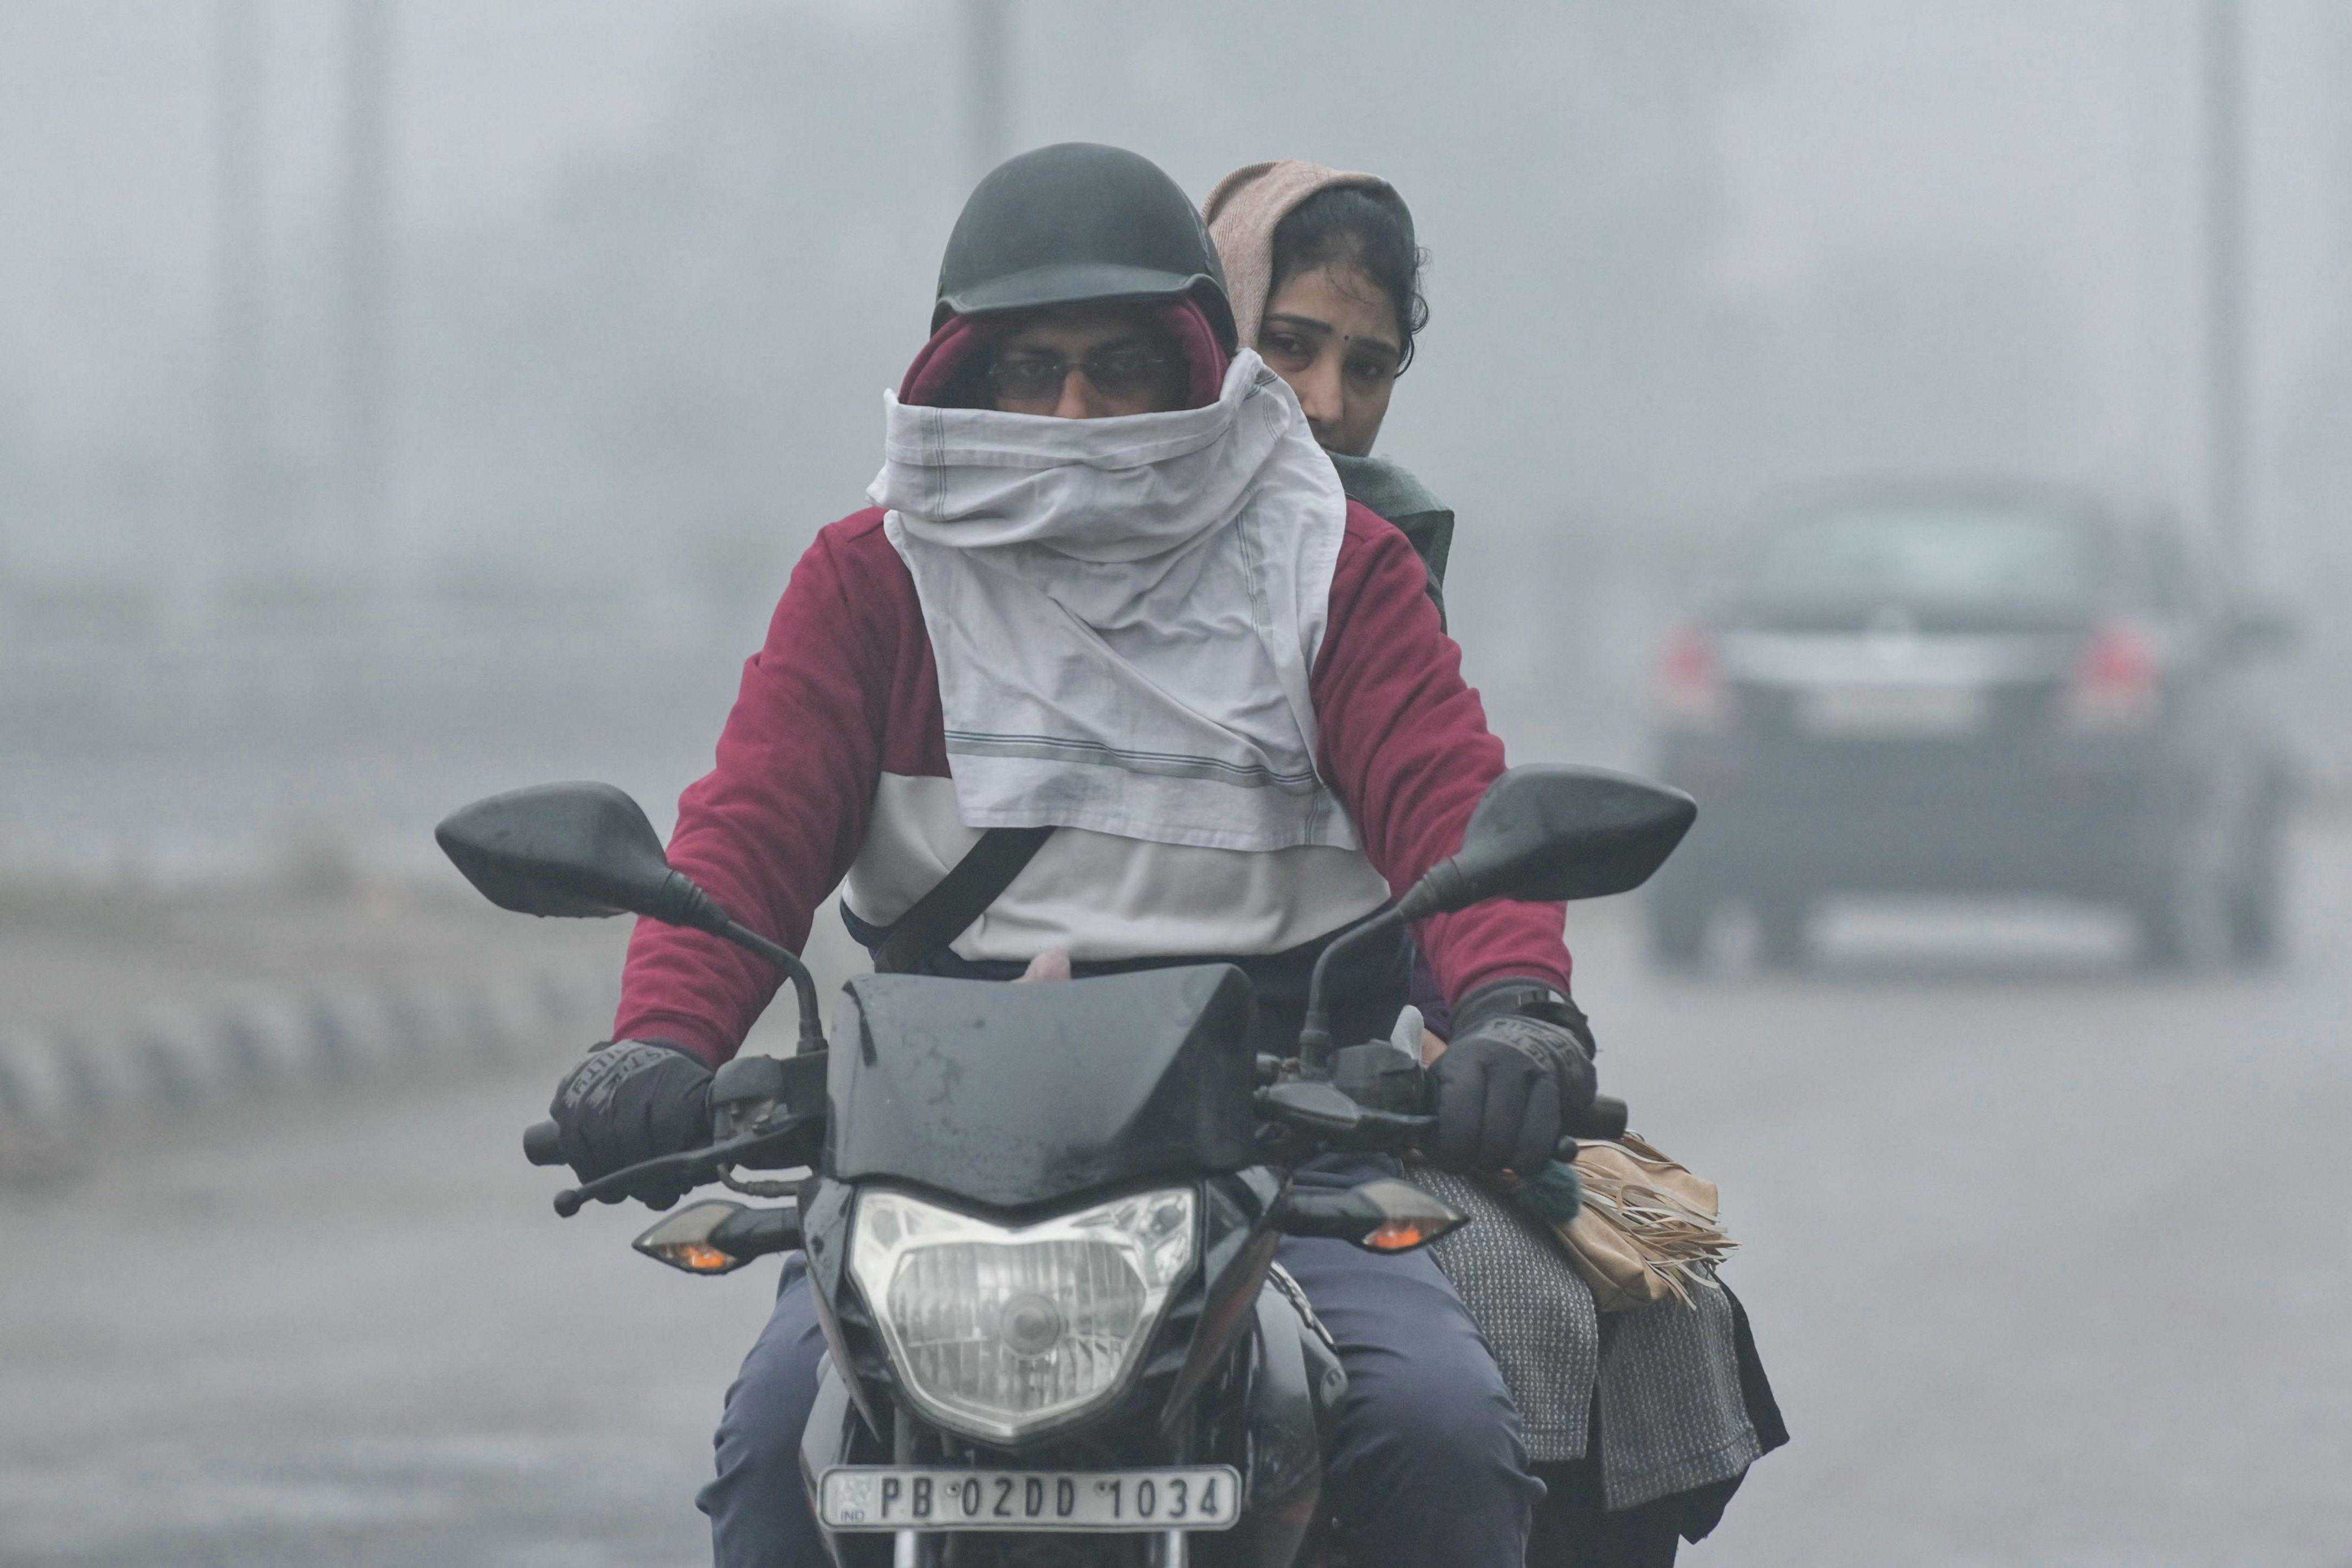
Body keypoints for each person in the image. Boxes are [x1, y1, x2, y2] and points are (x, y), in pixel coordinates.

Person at [542, 142, 1599, 1568]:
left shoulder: (1331, 571)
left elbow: (1455, 813)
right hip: (934, 1168)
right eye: (1026, 368)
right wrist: (654, 1045)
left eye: (1119, 367)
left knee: (1438, 1432)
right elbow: (742, 837)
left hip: (1284, 1155)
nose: (1073, 410)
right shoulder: (872, 578)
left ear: (1197, 371)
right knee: (774, 1452)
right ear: (957, 378)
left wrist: (1515, 1013)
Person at [1207, 160, 1787, 1566]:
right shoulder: (973, 546)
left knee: (1603, 1316)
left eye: (1369, 364)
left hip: (1307, 1105)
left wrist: (1507, 1011)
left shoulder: (1371, 566)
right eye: (1284, 345)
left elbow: (1449, 811)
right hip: (1020, 1116)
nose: (1324, 404)